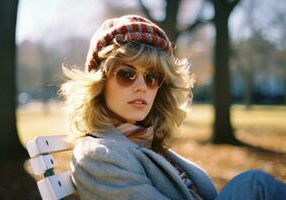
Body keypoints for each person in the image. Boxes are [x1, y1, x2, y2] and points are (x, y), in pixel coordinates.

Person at [60, 15, 286, 200]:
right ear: (99, 84)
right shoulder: (97, 155)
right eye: (127, 74)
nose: (141, 87)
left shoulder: (143, 142)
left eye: (152, 78)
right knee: (254, 186)